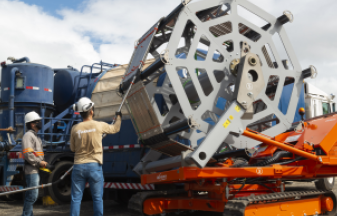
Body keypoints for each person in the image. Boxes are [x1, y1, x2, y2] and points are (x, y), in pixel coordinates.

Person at [70, 97, 122, 216]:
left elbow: (72, 149)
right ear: (91, 111)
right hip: (94, 166)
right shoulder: (99, 126)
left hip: (78, 166)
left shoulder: (75, 128)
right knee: (97, 198)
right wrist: (118, 117)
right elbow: (115, 128)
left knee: (76, 199)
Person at [21, 111, 48, 216]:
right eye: (38, 121)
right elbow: (28, 155)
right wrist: (40, 163)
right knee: (32, 196)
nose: (40, 123)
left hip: (35, 169)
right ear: (32, 124)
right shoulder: (28, 135)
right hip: (31, 170)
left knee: (31, 195)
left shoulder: (35, 136)